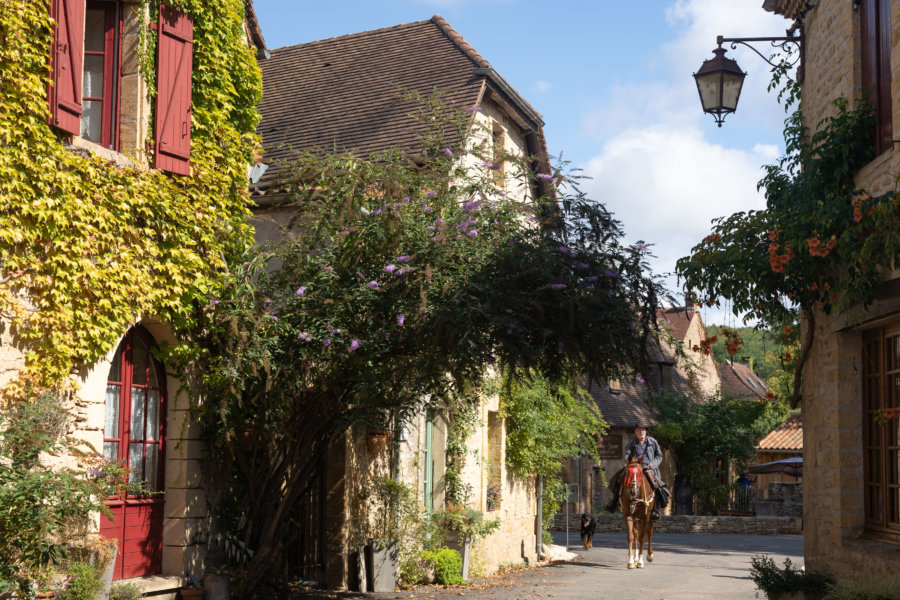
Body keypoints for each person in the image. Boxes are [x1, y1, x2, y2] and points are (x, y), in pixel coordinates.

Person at [605, 423, 666, 520]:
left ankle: (655, 510)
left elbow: (659, 456)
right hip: (635, 466)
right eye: (639, 430)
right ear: (635, 432)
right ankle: (614, 502)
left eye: (643, 430)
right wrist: (628, 460)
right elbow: (627, 454)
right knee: (618, 478)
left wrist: (651, 465)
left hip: (649, 467)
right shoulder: (632, 443)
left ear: (646, 432)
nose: (641, 432)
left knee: (656, 485)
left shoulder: (653, 442)